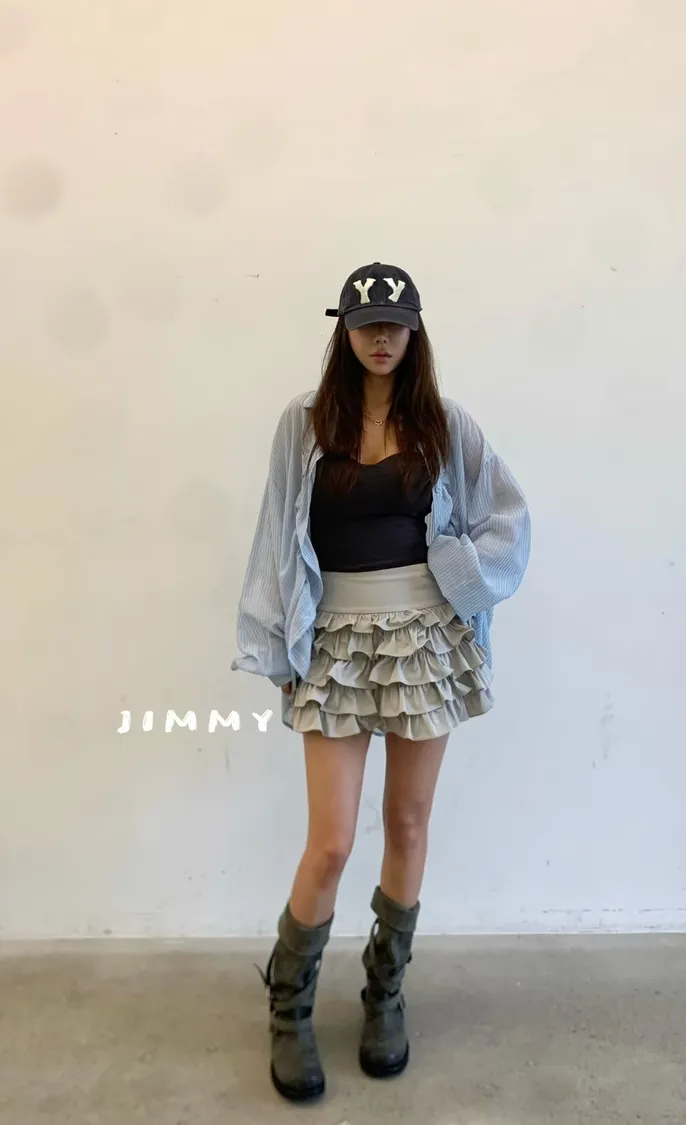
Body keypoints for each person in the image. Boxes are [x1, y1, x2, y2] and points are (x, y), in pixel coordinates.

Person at [231, 261, 531, 1102]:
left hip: (422, 641)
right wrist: (277, 644)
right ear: (346, 330)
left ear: (414, 330)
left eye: (395, 323)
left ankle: (385, 993)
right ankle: (288, 1006)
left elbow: (508, 517)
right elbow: (276, 537)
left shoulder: (444, 423)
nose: (381, 337)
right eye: (367, 323)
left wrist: (459, 570)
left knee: (406, 821)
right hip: (332, 642)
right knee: (330, 840)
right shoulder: (304, 424)